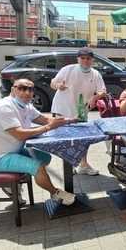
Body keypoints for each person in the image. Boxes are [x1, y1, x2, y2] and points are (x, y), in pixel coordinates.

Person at [0, 79, 76, 205]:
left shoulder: (26, 106)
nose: (27, 92)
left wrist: (68, 120)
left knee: (45, 157)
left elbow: (45, 119)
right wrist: (48, 128)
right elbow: (19, 134)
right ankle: (55, 193)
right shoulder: (4, 107)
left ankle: (13, 183)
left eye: (30, 89)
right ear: (13, 90)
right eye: (22, 88)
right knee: (38, 167)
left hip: (13, 150)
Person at [50, 47, 106, 175]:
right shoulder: (68, 69)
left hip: (81, 110)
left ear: (92, 60)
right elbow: (53, 83)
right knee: (66, 138)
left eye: (88, 59)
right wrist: (59, 85)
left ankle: (83, 165)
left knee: (83, 138)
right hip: (63, 108)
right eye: (83, 58)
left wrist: (95, 97)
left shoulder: (95, 73)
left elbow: (103, 90)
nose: (86, 61)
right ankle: (69, 166)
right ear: (78, 59)